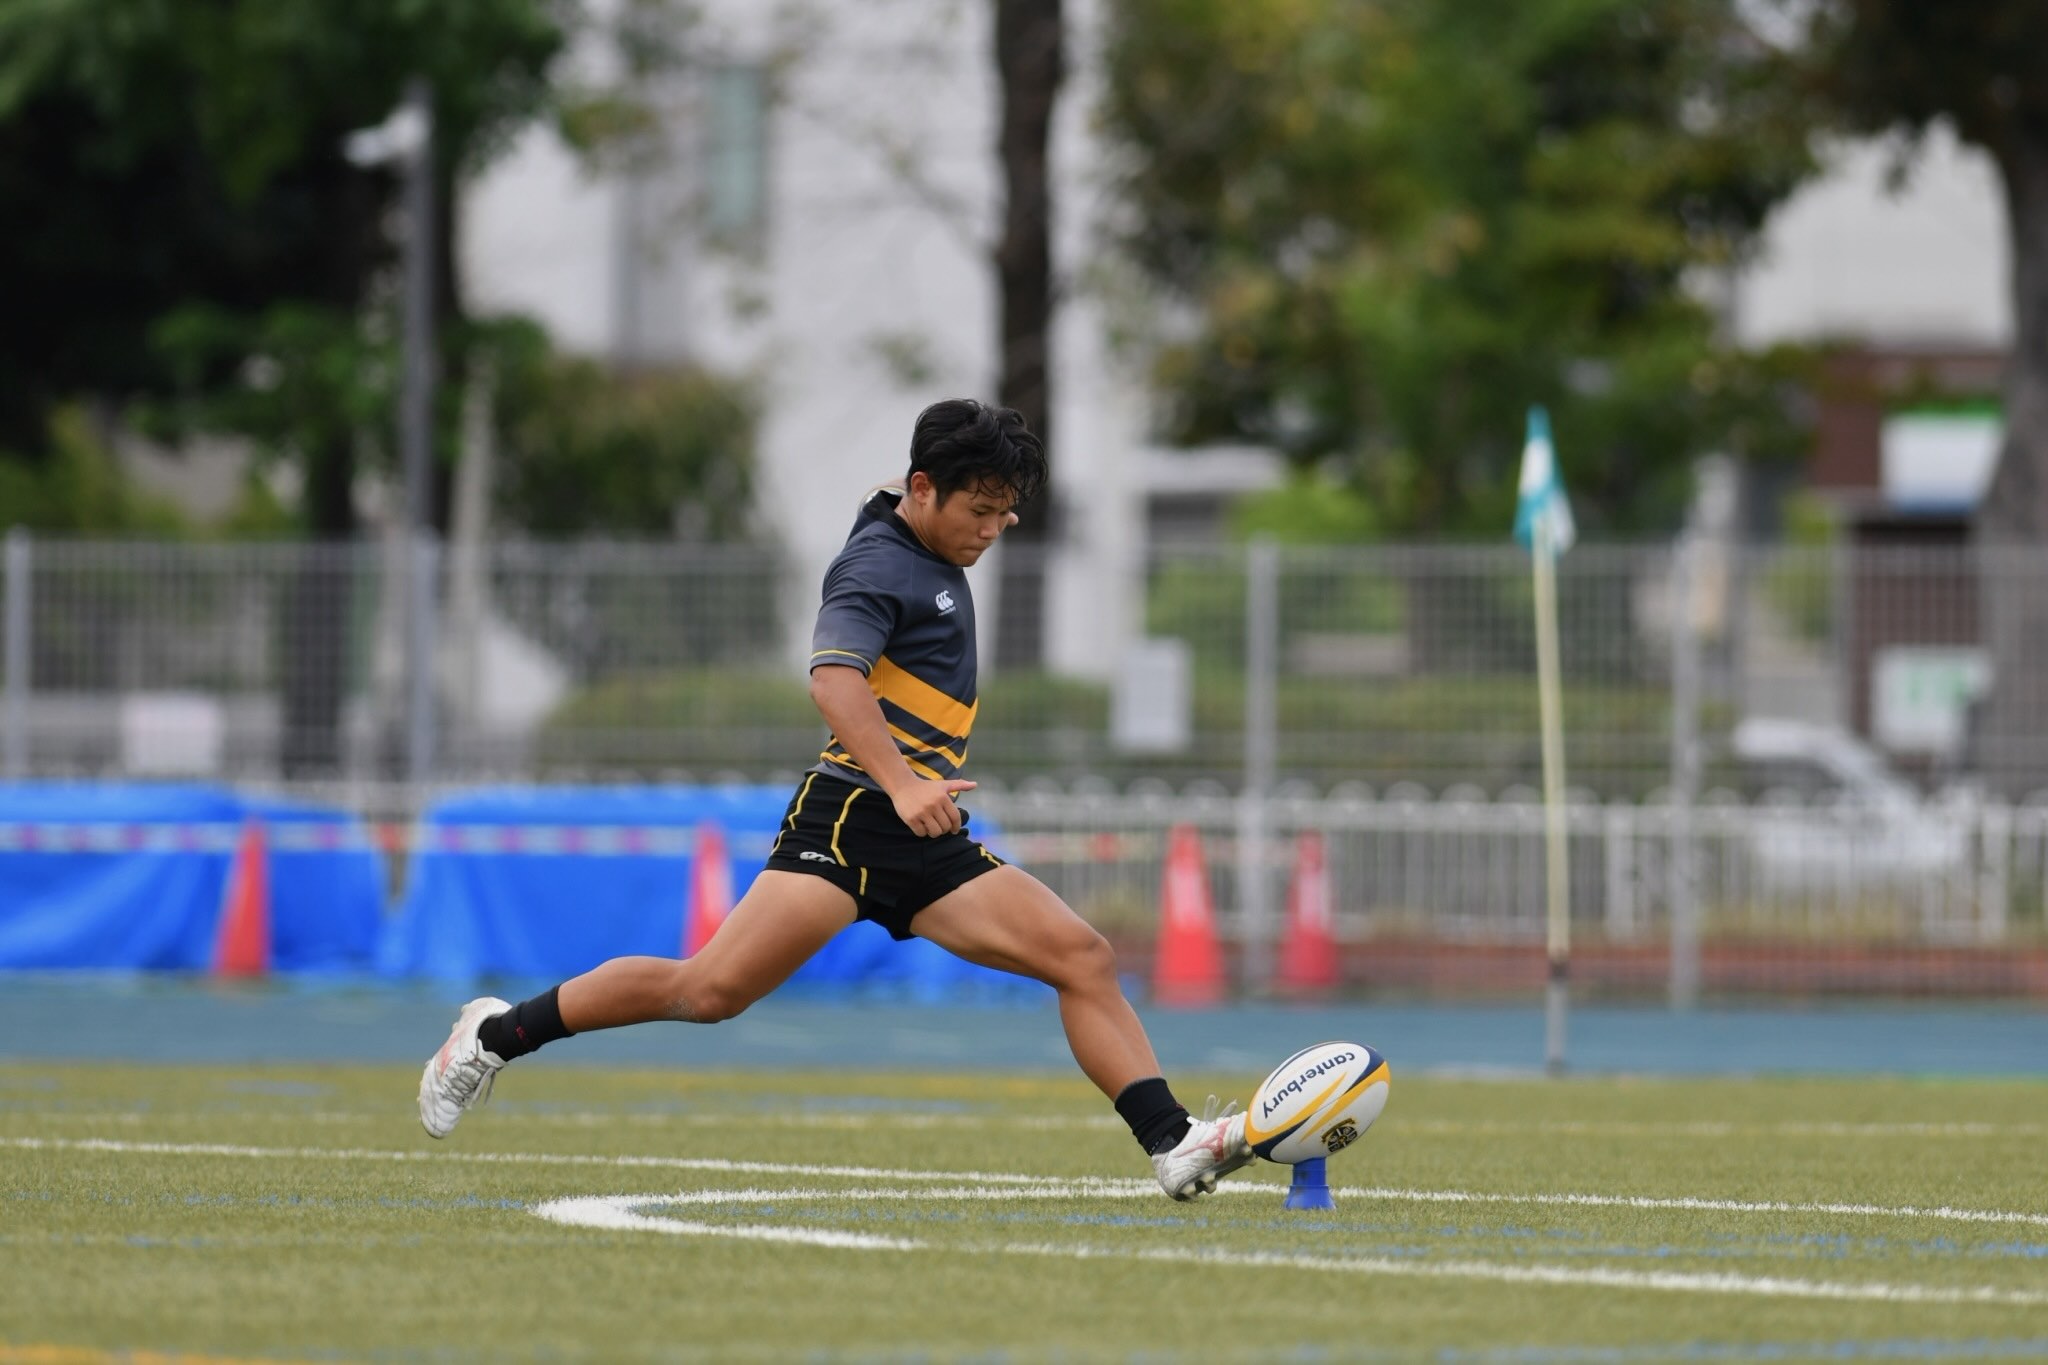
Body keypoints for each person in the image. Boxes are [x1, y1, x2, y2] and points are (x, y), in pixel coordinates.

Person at [416, 398, 1253, 1201]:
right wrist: (903, 782)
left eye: (1006, 513)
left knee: (1082, 957)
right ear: (923, 488)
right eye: (981, 510)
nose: (994, 529)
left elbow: (900, 487)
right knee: (706, 991)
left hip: (926, 834)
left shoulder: (911, 515)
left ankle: (1171, 1140)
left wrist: (984, 463)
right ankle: (493, 1034)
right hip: (851, 820)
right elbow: (832, 680)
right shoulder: (878, 564)